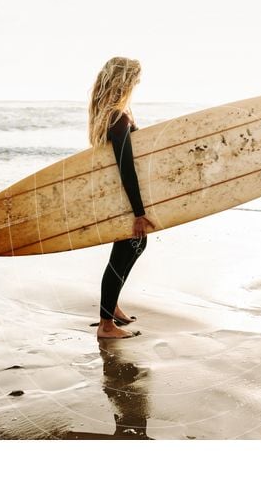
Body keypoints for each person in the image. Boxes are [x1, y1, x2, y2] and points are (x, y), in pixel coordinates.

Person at [88, 57, 155, 339]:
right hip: (123, 199)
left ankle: (111, 307)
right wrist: (138, 212)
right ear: (125, 82)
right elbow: (126, 168)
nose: (136, 86)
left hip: (115, 197)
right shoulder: (117, 117)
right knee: (128, 247)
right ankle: (105, 325)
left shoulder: (106, 114)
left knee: (133, 245)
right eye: (135, 81)